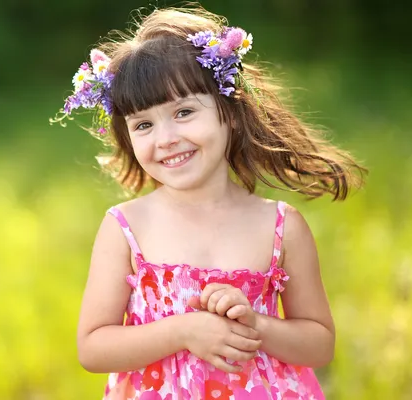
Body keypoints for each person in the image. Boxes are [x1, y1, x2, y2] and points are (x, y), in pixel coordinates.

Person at [51, 4, 366, 399]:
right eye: (144, 125)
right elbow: (93, 347)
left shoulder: (280, 227)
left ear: (230, 112)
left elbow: (319, 344)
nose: (165, 138)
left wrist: (257, 324)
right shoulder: (126, 228)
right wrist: (183, 331)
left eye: (183, 112)